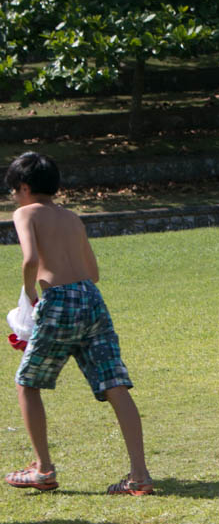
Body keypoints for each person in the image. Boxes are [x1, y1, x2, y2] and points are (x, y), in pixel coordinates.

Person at [4, 152, 152, 495]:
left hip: (56, 300)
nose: (13, 197)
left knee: (27, 383)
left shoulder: (25, 213)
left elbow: (30, 259)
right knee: (115, 384)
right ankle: (140, 476)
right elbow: (93, 273)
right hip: (90, 299)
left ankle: (43, 469)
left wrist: (30, 296)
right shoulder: (72, 217)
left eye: (12, 190)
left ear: (24, 187)